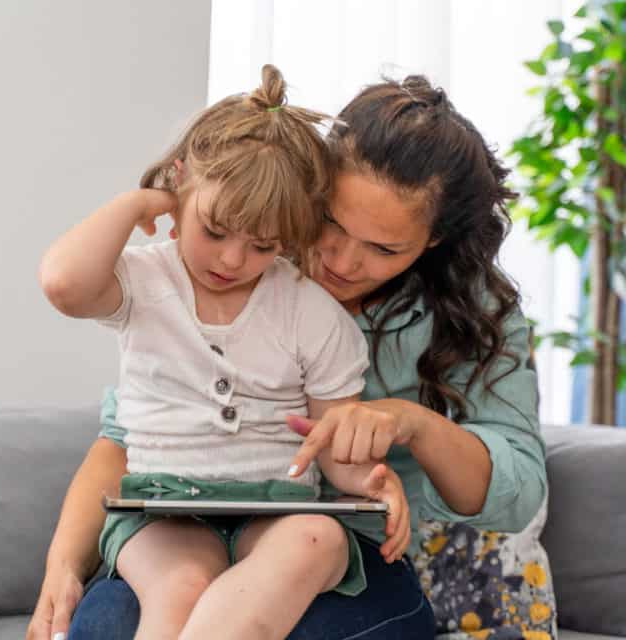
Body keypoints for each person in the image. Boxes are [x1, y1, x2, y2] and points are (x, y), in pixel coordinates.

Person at [27, 73, 546, 640]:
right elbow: (121, 436)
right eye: (329, 223)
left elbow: (516, 490)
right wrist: (62, 564)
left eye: (383, 248)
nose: (343, 262)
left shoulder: (471, 310)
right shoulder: (244, 251)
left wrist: (411, 426)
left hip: (326, 540)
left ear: (432, 242)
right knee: (116, 623)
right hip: (178, 526)